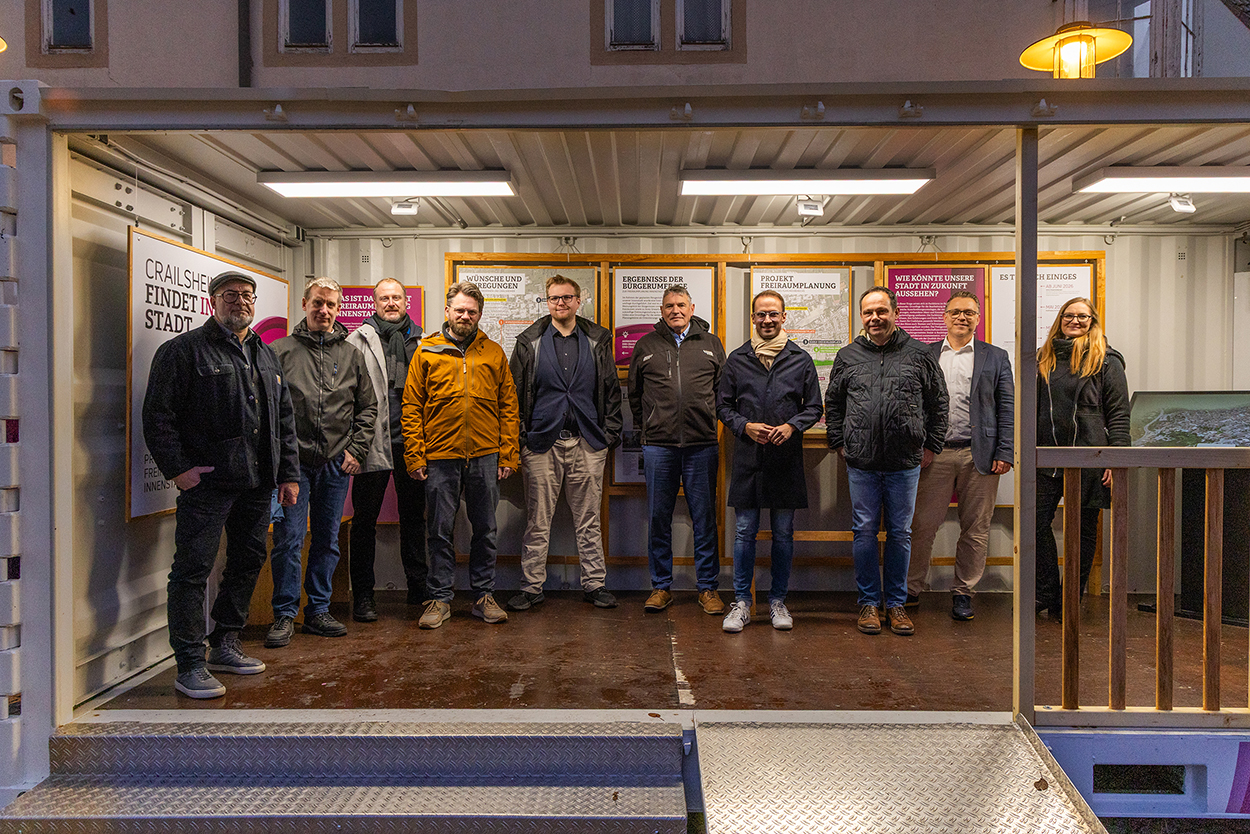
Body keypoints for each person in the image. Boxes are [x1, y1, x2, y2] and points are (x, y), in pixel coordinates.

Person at [142, 270, 300, 699]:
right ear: (212, 300)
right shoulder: (182, 351)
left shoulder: (265, 355)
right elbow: (158, 417)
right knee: (192, 570)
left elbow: (283, 421)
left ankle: (225, 642)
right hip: (208, 485)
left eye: (248, 296)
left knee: (248, 561)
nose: (241, 302)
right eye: (231, 295)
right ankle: (189, 664)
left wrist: (288, 474)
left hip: (256, 484)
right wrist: (179, 470)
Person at [825, 286, 947, 637]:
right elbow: (833, 403)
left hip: (905, 461)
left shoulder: (920, 354)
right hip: (861, 462)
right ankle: (867, 603)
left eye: (881, 311)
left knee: (900, 533)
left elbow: (938, 403)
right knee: (863, 532)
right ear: (861, 317)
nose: (875, 318)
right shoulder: (848, 355)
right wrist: (839, 441)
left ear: (895, 313)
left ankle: (895, 604)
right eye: (868, 312)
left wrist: (932, 446)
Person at [403, 281, 520, 628]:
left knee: (485, 529)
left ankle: (483, 596)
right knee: (439, 530)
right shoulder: (426, 351)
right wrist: (415, 456)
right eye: (459, 310)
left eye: (471, 311)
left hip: (485, 455)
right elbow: (411, 406)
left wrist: (509, 455)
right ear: (448, 312)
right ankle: (439, 599)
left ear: (479, 314)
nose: (465, 316)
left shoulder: (494, 352)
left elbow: (509, 407)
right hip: (440, 456)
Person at [266, 277, 377, 647]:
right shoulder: (280, 351)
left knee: (328, 540)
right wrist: (280, 460)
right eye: (317, 303)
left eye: (331, 304)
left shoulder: (351, 355)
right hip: (293, 467)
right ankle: (284, 614)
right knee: (288, 540)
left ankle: (317, 611)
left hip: (334, 465)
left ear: (338, 308)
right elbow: (268, 410)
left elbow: (368, 408)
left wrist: (356, 450)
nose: (324, 310)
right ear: (304, 304)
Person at [508, 275, 623, 611]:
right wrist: (521, 440)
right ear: (547, 302)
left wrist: (607, 437)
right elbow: (513, 396)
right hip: (541, 445)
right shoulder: (530, 342)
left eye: (567, 298)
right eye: (554, 298)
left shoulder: (597, 339)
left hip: (588, 443)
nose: (561, 303)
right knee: (537, 520)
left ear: (578, 301)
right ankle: (531, 588)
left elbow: (613, 393)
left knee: (589, 519)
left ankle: (595, 584)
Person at [716, 290, 822, 632]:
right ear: (752, 318)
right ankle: (743, 603)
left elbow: (814, 407)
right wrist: (743, 425)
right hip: (748, 459)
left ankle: (778, 601)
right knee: (744, 532)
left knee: (783, 533)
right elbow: (722, 407)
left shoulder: (800, 359)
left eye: (773, 314)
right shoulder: (737, 359)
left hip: (786, 460)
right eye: (761, 314)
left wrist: (793, 426)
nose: (767, 320)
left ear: (783, 317)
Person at [907, 290, 1014, 622]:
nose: (962, 318)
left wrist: (1005, 450)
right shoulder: (925, 354)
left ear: (978, 318)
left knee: (976, 528)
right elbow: (912, 403)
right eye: (955, 312)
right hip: (934, 454)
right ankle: (910, 590)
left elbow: (1006, 407)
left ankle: (964, 592)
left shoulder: (995, 357)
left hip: (978, 455)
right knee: (922, 525)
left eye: (969, 313)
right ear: (944, 317)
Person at [627, 285, 727, 615]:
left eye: (681, 305)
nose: (676, 310)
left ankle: (708, 588)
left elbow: (722, 393)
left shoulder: (711, 344)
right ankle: (661, 587)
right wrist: (649, 427)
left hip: (702, 445)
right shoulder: (646, 345)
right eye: (669, 305)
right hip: (659, 446)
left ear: (692, 307)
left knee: (704, 518)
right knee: (659, 518)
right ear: (661, 309)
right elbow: (635, 394)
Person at [1035, 297, 1130, 620]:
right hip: (1046, 458)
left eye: (1083, 317)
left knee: (1082, 532)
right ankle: (1047, 592)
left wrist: (1115, 459)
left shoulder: (1107, 360)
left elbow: (1118, 414)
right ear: (1060, 319)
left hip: (1091, 458)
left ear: (1093, 321)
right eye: (1069, 316)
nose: (1075, 321)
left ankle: (1068, 600)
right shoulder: (1042, 358)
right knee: (1033, 525)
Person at [346, 278, 427, 622]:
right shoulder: (357, 340)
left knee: (415, 520)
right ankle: (363, 595)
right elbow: (346, 395)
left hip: (413, 444)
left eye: (396, 298)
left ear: (407, 303)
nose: (391, 303)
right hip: (371, 445)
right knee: (364, 522)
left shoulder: (425, 341)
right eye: (384, 298)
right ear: (374, 303)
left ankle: (419, 589)